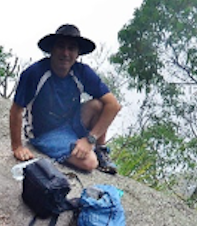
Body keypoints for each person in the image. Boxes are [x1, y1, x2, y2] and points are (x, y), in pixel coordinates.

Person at [10, 24, 121, 173]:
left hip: (72, 122)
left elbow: (113, 105)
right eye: (60, 47)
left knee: (98, 105)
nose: (65, 53)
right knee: (89, 162)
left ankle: (100, 150)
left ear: (78, 53)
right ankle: (85, 151)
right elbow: (16, 110)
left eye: (71, 48)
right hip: (45, 133)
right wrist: (17, 146)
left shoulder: (82, 72)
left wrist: (90, 140)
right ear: (52, 49)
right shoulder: (35, 73)